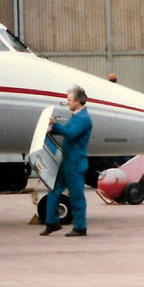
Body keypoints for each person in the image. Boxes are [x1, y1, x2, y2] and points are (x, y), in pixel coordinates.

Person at [41, 86, 92, 237]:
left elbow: (71, 134)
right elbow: (68, 131)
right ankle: (52, 222)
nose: (67, 102)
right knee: (53, 188)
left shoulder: (83, 119)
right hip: (68, 160)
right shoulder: (76, 117)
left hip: (75, 163)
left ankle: (80, 227)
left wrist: (55, 125)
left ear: (77, 101)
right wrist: (53, 129)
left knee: (76, 195)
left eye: (69, 100)